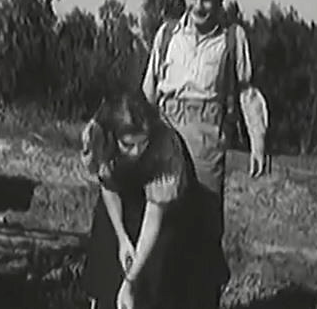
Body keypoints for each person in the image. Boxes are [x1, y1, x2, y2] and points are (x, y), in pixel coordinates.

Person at [141, 0, 268, 306]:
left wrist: (257, 141)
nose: (199, 4)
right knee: (160, 226)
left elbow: (247, 92)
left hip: (207, 144)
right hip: (166, 137)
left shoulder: (232, 38)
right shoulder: (167, 35)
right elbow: (147, 94)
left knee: (204, 231)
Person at [80, 89, 230, 309]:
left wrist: (131, 281)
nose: (137, 151)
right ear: (111, 138)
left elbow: (154, 218)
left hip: (167, 208)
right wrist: (122, 238)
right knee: (106, 252)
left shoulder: (165, 146)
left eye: (143, 143)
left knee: (157, 270)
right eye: (128, 145)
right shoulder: (97, 137)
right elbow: (108, 186)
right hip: (125, 195)